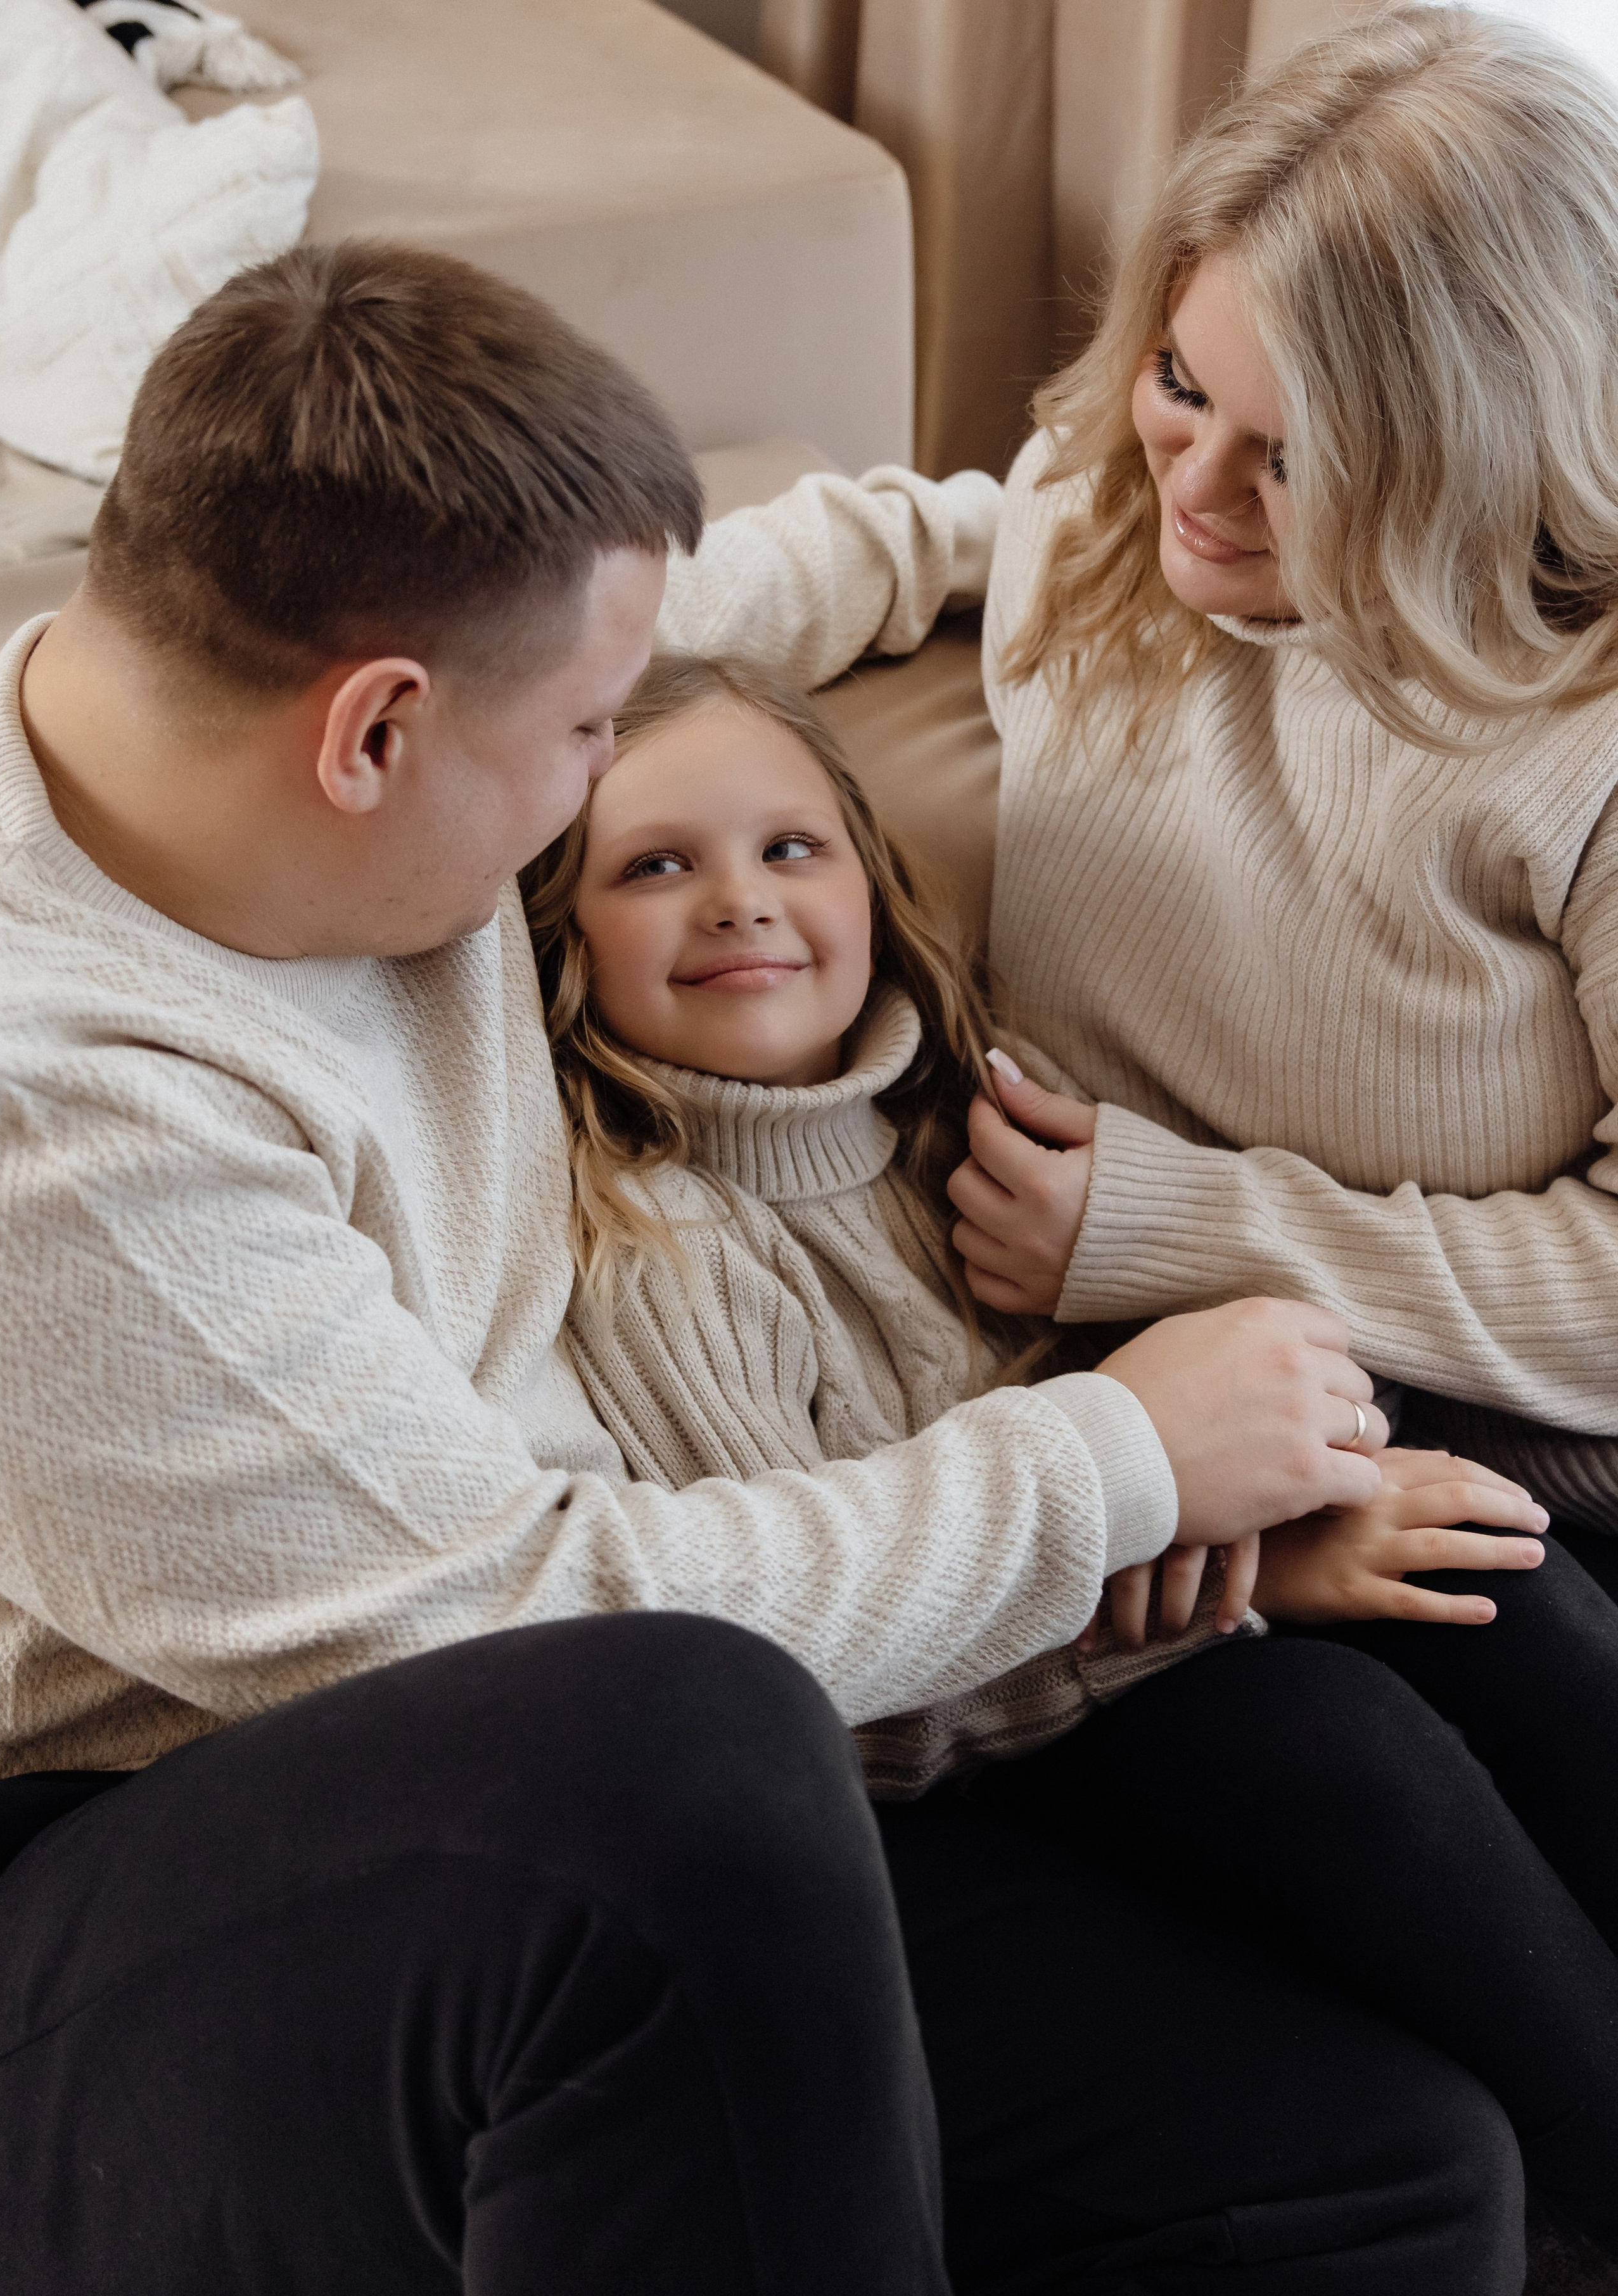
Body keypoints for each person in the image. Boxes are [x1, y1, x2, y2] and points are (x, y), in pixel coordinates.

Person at [0, 238, 1514, 2296]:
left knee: (1378, 2190)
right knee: (675, 1748)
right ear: (379, 731)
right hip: (106, 1970)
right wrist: (1113, 1459)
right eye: (591, 743)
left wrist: (1106, 523)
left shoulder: (257, 695)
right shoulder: (65, 1126)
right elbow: (511, 1632)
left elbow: (717, 609)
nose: (617, 765)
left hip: (551, 1835)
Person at [525, 644, 1618, 2261]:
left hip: (1155, 1630)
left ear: (869, 877)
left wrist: (1325, 1482)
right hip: (974, 1751)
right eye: (655, 866)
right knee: (1310, 1737)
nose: (740, 900)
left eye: (789, 847)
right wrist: (1262, 1581)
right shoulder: (651, 1248)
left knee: (1488, 1558)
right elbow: (823, 1674)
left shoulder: (960, 1115)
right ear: (556, 937)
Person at [656, 4, 1618, 1609]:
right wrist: (565, 653)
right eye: (1180, 382)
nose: (1189, 485)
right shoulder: (1105, 503)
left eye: (1296, 457)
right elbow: (946, 523)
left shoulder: (1574, 739)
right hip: (1115, 1403)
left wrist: (1176, 1227)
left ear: (1476, 457)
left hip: (1517, 1466)